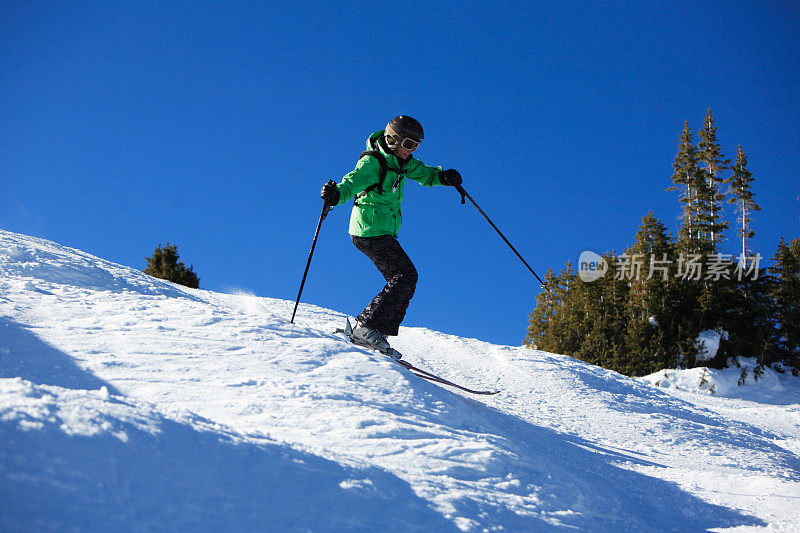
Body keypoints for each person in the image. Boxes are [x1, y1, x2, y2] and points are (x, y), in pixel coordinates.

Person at [320, 115, 462, 355]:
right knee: (404, 275)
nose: (412, 150)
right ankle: (367, 328)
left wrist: (443, 177)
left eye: (416, 146)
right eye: (408, 144)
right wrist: (335, 195)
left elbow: (425, 173)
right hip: (367, 231)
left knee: (405, 277)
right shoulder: (373, 163)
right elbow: (352, 182)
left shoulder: (403, 163)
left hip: (382, 231)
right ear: (392, 140)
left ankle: (375, 329)